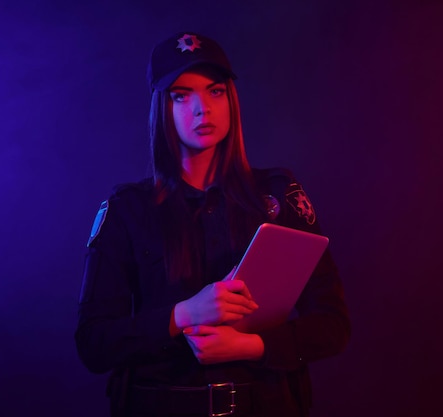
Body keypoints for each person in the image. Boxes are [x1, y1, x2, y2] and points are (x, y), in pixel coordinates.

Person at [75, 32, 350, 417]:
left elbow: (333, 324)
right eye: (181, 96)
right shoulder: (128, 209)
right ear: (162, 108)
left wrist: (250, 346)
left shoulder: (277, 195)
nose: (202, 109)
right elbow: (94, 342)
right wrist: (184, 314)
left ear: (231, 100)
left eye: (215, 91)